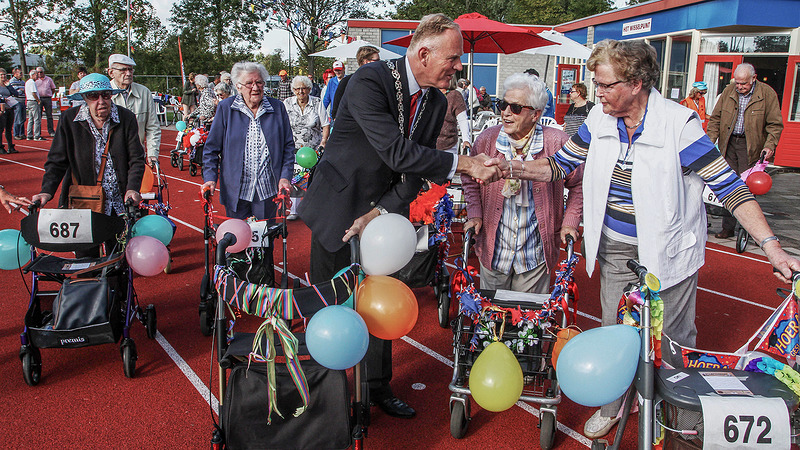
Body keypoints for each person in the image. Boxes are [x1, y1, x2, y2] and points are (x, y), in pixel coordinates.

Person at [485, 39, 800, 439]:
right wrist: (509, 167)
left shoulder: (679, 125)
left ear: (635, 83)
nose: (597, 93)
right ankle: (617, 403)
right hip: (615, 245)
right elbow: (558, 165)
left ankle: (682, 420)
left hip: (669, 253)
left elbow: (729, 187)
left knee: (673, 341)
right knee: (615, 329)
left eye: (605, 84)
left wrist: (772, 246)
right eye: (595, 84)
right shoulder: (598, 120)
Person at [298, 13, 502, 420]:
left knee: (378, 300)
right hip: (337, 205)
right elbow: (395, 151)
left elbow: (413, 175)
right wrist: (464, 162)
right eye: (454, 58)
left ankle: (376, 386)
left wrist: (379, 212)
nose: (459, 66)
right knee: (331, 304)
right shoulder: (371, 79)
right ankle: (327, 394)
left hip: (383, 215)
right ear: (423, 54)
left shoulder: (438, 100)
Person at [463, 73, 583, 294]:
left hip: (535, 253)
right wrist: (475, 213)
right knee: (491, 318)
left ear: (536, 114)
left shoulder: (556, 142)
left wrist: (570, 221)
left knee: (529, 322)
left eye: (516, 108)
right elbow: (469, 179)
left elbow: (579, 184)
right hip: (494, 249)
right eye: (503, 104)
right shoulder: (487, 140)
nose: (506, 112)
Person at [32, 73, 144, 225]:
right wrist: (46, 191)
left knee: (120, 247)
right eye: (93, 96)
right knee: (86, 249)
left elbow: (136, 159)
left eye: (105, 95)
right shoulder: (69, 120)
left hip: (119, 201)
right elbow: (57, 160)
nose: (101, 101)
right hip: (83, 203)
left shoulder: (126, 117)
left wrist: (132, 188)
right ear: (84, 98)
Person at [201, 61, 294, 226]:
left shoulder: (277, 108)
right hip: (236, 190)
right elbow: (211, 149)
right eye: (249, 83)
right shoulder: (226, 108)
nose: (255, 88)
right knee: (238, 242)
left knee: (265, 243)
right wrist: (210, 178)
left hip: (268, 190)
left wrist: (285, 177)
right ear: (238, 86)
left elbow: (288, 147)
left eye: (259, 82)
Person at [707, 63, 783, 239]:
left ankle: (750, 230)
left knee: (747, 190)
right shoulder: (729, 91)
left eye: (744, 84)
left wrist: (770, 145)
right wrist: (709, 143)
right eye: (737, 83)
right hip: (729, 144)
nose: (740, 87)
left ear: (754, 79)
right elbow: (716, 119)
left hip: (751, 147)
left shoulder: (767, 94)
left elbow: (775, 124)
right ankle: (728, 227)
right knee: (728, 186)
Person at [284, 75, 330, 220]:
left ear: (309, 89)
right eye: (297, 89)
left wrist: (323, 142)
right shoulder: (287, 103)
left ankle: (315, 208)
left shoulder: (317, 102)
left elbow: (325, 124)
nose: (301, 92)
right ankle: (293, 210)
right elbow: (282, 124)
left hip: (314, 148)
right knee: (296, 178)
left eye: (304, 88)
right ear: (293, 90)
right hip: (294, 147)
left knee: (314, 179)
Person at [107, 54, 162, 166]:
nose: (128, 73)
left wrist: (152, 153)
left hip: (136, 157)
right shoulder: (104, 94)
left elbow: (153, 127)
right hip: (110, 159)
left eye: (130, 69)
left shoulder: (144, 92)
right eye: (123, 70)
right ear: (111, 73)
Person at [330, 45, 381, 120]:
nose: (380, 64)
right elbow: (335, 111)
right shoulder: (346, 82)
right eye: (376, 61)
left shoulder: (378, 83)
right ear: (366, 61)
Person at [436, 74, 472, 155]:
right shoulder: (431, 93)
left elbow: (462, 119)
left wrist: (466, 139)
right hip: (430, 145)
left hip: (448, 144)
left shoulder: (455, 95)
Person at [0, 69, 20, 154]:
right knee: (1, 129)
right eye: (1, 75)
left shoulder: (7, 85)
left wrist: (9, 86)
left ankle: (10, 146)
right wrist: (2, 99)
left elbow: (16, 93)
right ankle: (0, 147)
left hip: (10, 108)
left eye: (4, 75)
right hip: (1, 110)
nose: (3, 76)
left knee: (9, 129)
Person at [34, 67, 56, 137]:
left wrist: (49, 95)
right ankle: (38, 132)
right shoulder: (35, 80)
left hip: (47, 98)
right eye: (38, 72)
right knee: (38, 116)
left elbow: (53, 89)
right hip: (39, 99)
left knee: (49, 115)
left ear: (44, 72)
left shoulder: (49, 79)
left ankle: (51, 131)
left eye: (41, 72)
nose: (40, 74)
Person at [25, 70, 44, 141]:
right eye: (36, 75)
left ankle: (29, 135)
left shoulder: (27, 82)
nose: (37, 76)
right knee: (37, 119)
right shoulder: (32, 83)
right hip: (33, 101)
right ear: (32, 75)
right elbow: (33, 93)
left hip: (29, 101)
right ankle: (37, 135)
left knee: (30, 119)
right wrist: (38, 100)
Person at [9, 67, 26, 140]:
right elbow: (15, 91)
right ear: (15, 73)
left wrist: (21, 89)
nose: (21, 74)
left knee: (23, 118)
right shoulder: (12, 81)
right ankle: (16, 134)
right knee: (17, 118)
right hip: (17, 101)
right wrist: (20, 90)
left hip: (23, 100)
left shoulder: (23, 82)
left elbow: (24, 89)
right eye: (20, 73)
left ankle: (22, 133)